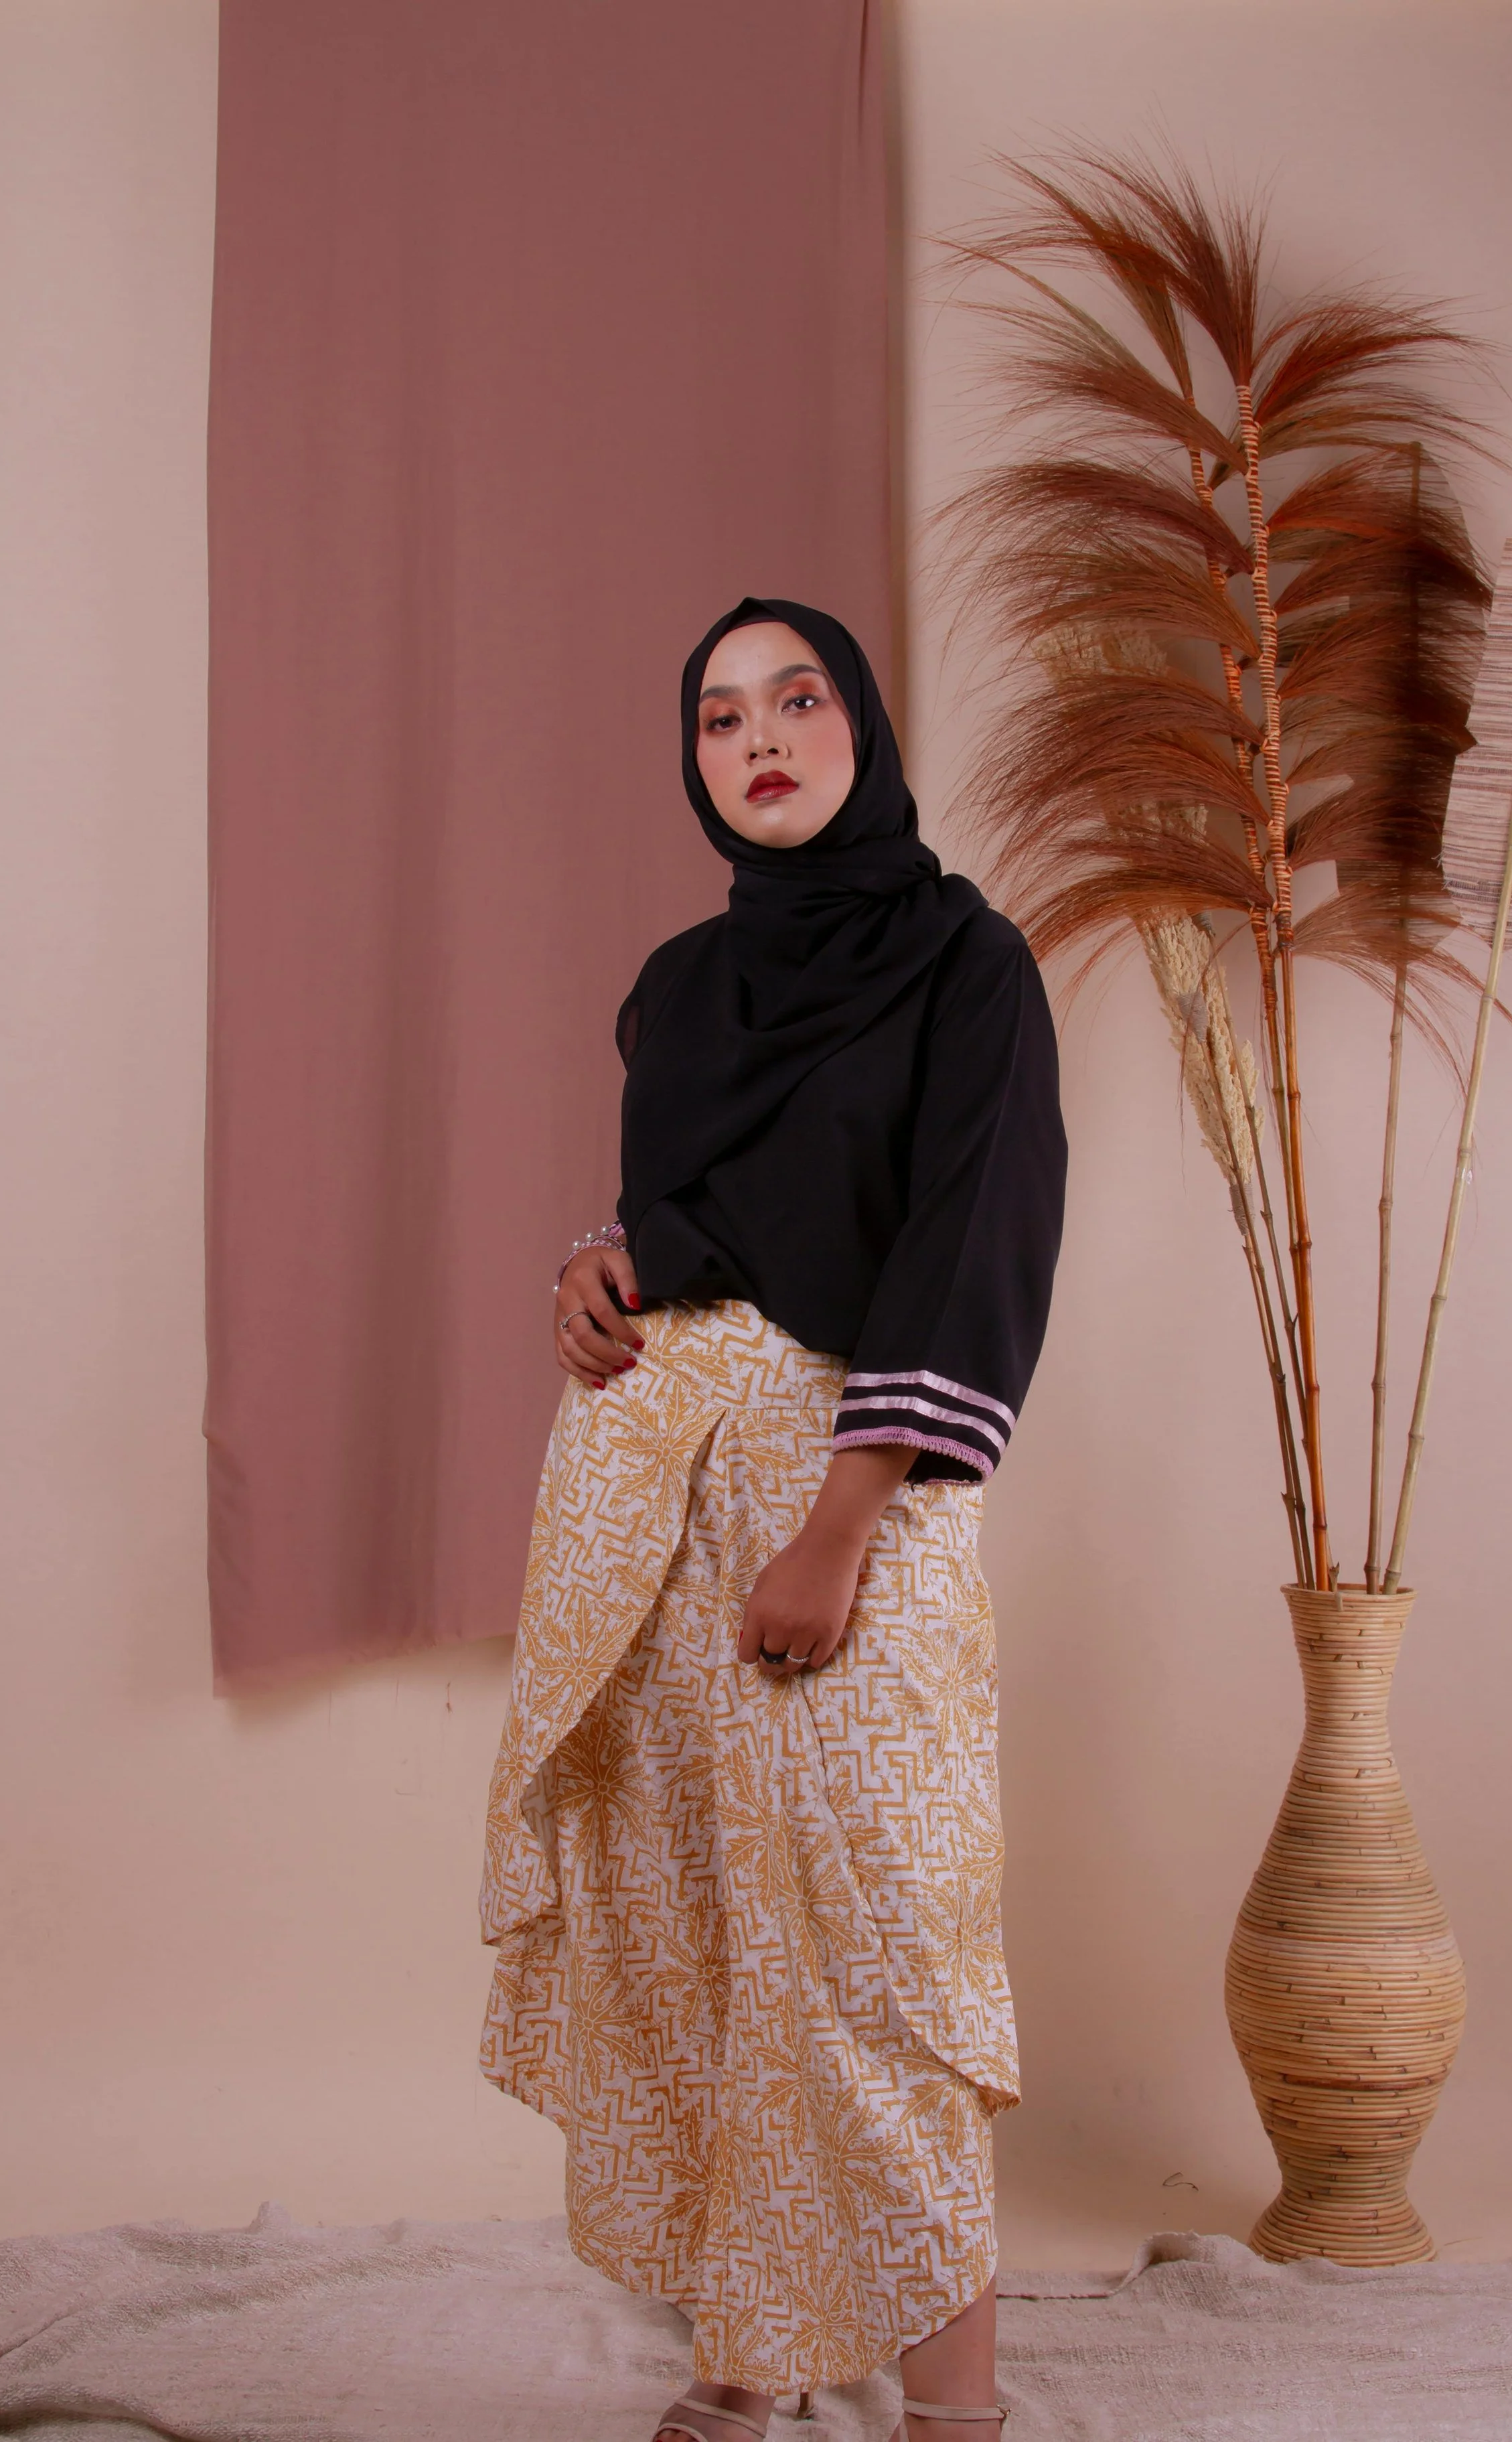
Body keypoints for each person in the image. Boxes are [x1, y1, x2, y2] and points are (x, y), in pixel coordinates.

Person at [479, 599, 1066, 2442]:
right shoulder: (679, 982)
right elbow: (705, 1208)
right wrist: (594, 1258)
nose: (761, 739)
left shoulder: (967, 964)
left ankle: (954, 2400)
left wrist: (838, 1528)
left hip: (850, 1476)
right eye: (721, 715)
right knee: (695, 1918)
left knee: (880, 1934)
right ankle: (749, 2344)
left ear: (860, 725)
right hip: (645, 1483)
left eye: (797, 699)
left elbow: (969, 1234)